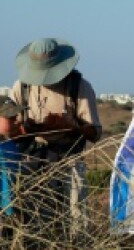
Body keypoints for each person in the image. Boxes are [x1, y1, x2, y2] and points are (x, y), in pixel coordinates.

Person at [7, 37, 101, 236]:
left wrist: (73, 127)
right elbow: (8, 128)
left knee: (77, 218)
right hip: (32, 161)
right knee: (35, 220)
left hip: (70, 160)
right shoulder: (21, 87)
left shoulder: (79, 87)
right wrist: (29, 129)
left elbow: (95, 133)